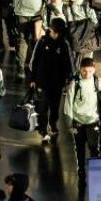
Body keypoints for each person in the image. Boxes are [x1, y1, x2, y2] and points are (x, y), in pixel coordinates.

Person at [30, 17, 76, 145]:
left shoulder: (63, 43)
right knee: (42, 106)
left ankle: (53, 123)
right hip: (42, 80)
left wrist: (69, 77)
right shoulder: (43, 41)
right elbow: (34, 61)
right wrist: (32, 78)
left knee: (55, 106)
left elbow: (69, 62)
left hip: (57, 81)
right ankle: (43, 130)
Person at [65, 58, 101, 184]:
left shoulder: (97, 81)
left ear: (94, 70)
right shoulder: (75, 83)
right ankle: (81, 173)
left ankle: (95, 172)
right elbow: (68, 103)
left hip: (93, 120)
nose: (87, 74)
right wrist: (69, 122)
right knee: (79, 149)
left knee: (93, 147)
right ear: (80, 69)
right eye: (84, 71)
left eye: (90, 71)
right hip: (78, 121)